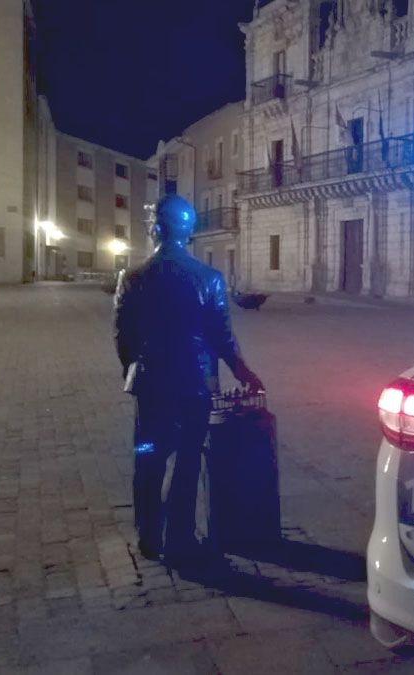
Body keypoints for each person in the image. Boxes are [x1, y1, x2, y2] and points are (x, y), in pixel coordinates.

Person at [113, 194, 264, 566]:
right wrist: (244, 372)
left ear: (158, 228)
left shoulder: (132, 279)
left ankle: (148, 536)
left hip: (151, 386)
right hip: (196, 386)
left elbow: (122, 337)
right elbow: (222, 337)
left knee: (148, 457)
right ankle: (180, 536)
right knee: (187, 460)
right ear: (188, 232)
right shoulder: (209, 279)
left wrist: (133, 370)